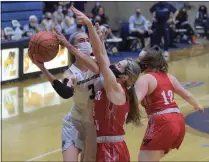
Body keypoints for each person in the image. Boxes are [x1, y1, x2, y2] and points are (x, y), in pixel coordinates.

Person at [71, 7, 142, 162]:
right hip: (102, 144)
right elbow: (103, 56)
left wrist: (89, 25)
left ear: (124, 77)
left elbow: (100, 57)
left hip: (111, 149)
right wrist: (100, 39)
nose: (115, 65)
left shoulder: (116, 87)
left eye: (119, 66)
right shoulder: (114, 84)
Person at [30, 30, 102, 161]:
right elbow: (65, 93)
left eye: (87, 40)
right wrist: (43, 69)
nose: (86, 43)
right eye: (81, 40)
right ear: (73, 47)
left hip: (93, 124)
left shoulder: (98, 63)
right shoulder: (70, 73)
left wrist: (100, 41)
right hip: (74, 123)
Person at [134, 47, 204, 162]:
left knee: (144, 159)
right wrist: (197, 105)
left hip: (162, 122)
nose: (138, 63)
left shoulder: (145, 79)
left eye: (141, 60)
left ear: (149, 62)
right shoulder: (170, 77)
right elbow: (186, 95)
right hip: (178, 121)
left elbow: (134, 102)